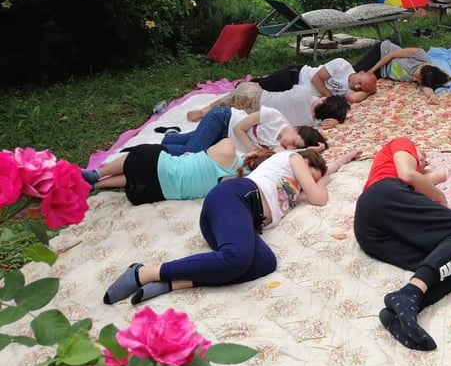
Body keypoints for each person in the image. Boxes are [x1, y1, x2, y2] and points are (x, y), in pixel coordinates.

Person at [103, 147, 361, 305]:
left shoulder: (295, 186)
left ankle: (172, 283)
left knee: (265, 263)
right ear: (308, 162)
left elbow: (323, 181)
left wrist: (344, 159)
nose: (308, 184)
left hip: (241, 222)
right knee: (237, 257)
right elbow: (319, 197)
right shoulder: (294, 158)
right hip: (235, 197)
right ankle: (143, 272)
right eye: (311, 177)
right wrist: (313, 184)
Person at [354, 137, 451, 351]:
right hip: (382, 196)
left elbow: (418, 180)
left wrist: (434, 177)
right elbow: (408, 174)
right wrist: (440, 198)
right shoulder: (402, 143)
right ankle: (409, 294)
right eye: (422, 156)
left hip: (369, 233)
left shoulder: (408, 192)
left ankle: (401, 309)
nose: (423, 161)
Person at [80, 139, 267, 205]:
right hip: (150, 193)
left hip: (154, 165)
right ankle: (96, 185)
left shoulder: (227, 148)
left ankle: (97, 172)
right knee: (143, 175)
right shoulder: (240, 185)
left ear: (255, 154)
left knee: (143, 155)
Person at [162, 105, 327, 156]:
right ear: (297, 129)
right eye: (295, 143)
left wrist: (307, 150)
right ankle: (157, 152)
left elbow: (285, 157)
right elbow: (238, 128)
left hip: (225, 137)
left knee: (187, 142)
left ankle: (170, 136)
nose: (289, 147)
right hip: (223, 120)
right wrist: (251, 148)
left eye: (295, 148)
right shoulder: (273, 117)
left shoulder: (280, 146)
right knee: (192, 152)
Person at [186, 84, 350, 130]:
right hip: (254, 114)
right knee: (232, 105)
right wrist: (335, 121)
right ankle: (207, 111)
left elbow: (292, 88)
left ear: (324, 100)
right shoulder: (309, 122)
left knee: (237, 94)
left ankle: (205, 109)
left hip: (254, 96)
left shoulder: (305, 93)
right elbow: (320, 122)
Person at [352, 40, 451, 102]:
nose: (413, 79)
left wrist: (432, 95)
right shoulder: (420, 56)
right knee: (355, 73)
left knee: (362, 87)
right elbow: (391, 55)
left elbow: (425, 87)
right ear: (422, 68)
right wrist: (370, 71)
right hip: (382, 54)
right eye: (416, 77)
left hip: (383, 72)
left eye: (416, 81)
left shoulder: (426, 77)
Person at [255, 57, 377, 103]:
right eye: (360, 83)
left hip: (298, 93)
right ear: (360, 72)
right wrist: (328, 95)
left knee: (261, 99)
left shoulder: (351, 90)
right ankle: (245, 82)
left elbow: (353, 98)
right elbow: (316, 79)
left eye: (361, 88)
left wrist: (370, 90)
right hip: (296, 76)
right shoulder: (342, 65)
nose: (357, 87)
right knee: (261, 86)